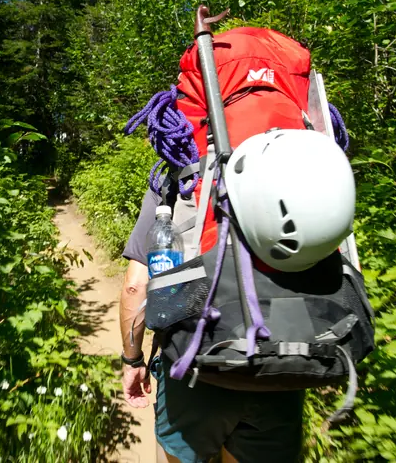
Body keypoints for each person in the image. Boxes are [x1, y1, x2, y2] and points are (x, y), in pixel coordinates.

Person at [119, 187, 306, 463]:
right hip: (281, 360)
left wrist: (132, 360)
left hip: (192, 363)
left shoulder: (175, 174)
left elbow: (136, 286)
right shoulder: (289, 170)